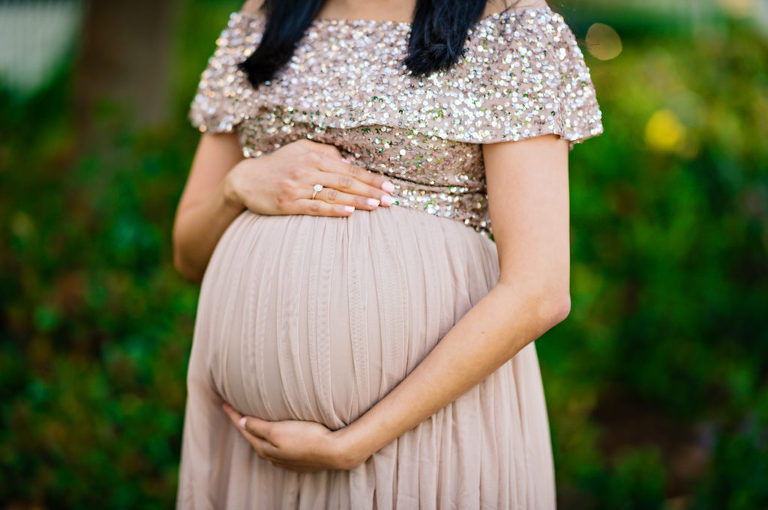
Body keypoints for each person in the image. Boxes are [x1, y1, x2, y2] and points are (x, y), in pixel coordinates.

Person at [172, 0, 604, 507]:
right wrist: (237, 185)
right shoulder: (268, 13)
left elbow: (539, 292)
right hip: (255, 453)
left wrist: (351, 444)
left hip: (420, 440)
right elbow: (188, 255)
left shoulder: (511, 22)